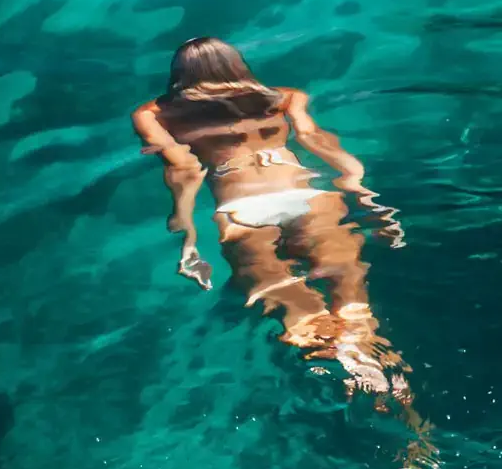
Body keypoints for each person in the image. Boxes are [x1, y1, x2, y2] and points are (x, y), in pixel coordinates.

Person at [133, 38, 416, 401]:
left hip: (243, 210)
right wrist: (366, 197)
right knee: (350, 293)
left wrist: (188, 238)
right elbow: (316, 140)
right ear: (237, 64)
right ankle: (381, 372)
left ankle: (346, 372)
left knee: (291, 306)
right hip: (309, 197)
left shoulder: (153, 114)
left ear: (179, 74)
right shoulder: (285, 97)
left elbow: (184, 171)